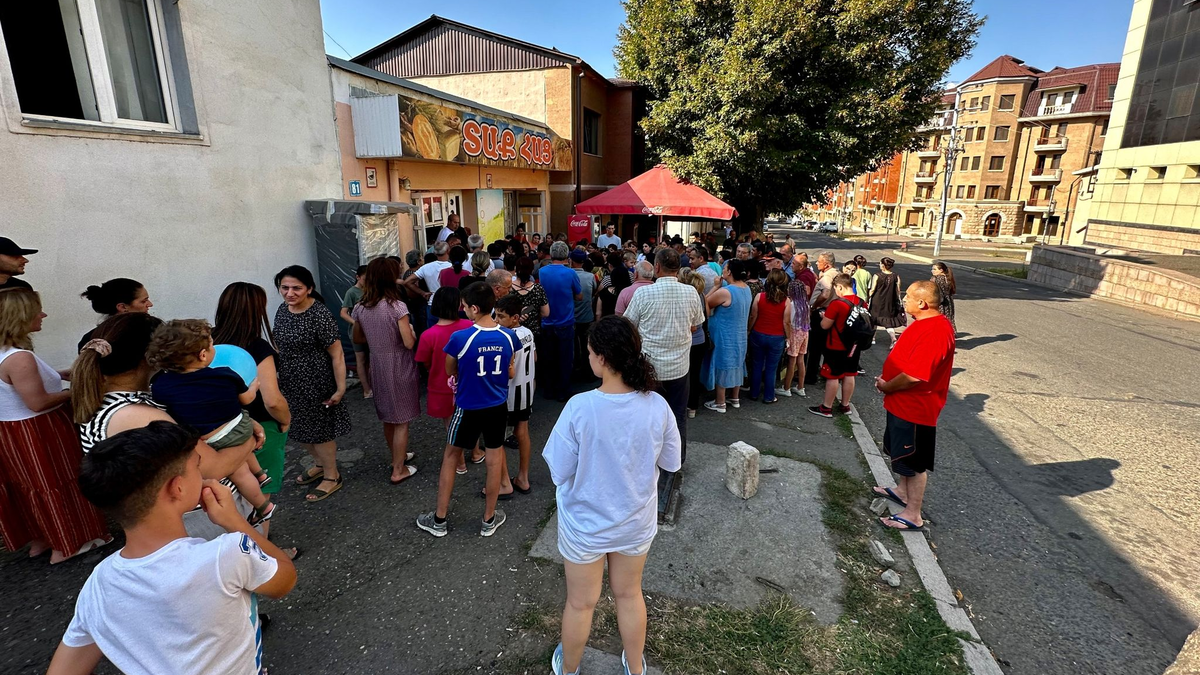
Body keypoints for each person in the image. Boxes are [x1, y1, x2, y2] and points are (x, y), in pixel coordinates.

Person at [47, 422, 296, 675]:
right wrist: (235, 521)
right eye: (197, 467)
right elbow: (284, 579)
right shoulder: (226, 554)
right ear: (177, 488)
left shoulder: (99, 584)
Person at [543, 315, 681, 675]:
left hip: (585, 524)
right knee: (629, 594)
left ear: (602, 358)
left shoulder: (579, 407)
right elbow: (671, 462)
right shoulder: (657, 405)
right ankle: (635, 668)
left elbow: (559, 471)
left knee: (580, 603)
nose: (587, 357)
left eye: (589, 352)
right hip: (635, 520)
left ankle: (569, 668)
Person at [71, 313, 270, 544]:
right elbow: (215, 467)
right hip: (198, 517)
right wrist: (245, 434)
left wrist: (233, 420)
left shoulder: (117, 398)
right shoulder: (137, 414)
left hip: (182, 512)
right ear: (149, 357)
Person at [0, 288, 110, 564]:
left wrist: (60, 374)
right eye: (38, 310)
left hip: (11, 432)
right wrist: (83, 388)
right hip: (39, 430)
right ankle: (69, 543)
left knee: (27, 486)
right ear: (21, 316)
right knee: (58, 482)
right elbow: (37, 402)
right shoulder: (19, 357)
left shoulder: (7, 353)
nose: (43, 315)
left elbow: (19, 387)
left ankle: (42, 540)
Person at [146, 320, 276, 526]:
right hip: (241, 427)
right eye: (211, 344)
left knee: (238, 468)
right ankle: (262, 496)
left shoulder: (160, 385)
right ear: (203, 355)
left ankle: (261, 495)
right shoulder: (225, 374)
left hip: (208, 437)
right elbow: (246, 400)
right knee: (239, 464)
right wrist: (254, 386)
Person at [416, 283, 517, 538]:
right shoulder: (509, 336)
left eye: (464, 306)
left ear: (473, 308)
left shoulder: (461, 338)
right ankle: (489, 518)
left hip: (468, 406)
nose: (462, 310)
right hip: (497, 405)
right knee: (495, 459)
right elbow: (510, 369)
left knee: (451, 456)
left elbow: (450, 369)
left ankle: (439, 519)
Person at [872, 281, 956, 531]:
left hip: (916, 408)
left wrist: (888, 386)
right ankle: (902, 492)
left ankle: (913, 514)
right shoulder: (924, 324)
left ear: (922, 302)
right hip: (901, 404)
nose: (902, 300)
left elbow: (914, 376)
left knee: (915, 461)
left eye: (907, 296)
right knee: (900, 454)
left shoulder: (937, 331)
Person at [212, 282, 292, 510]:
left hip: (215, 427)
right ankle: (261, 544)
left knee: (228, 494)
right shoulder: (257, 347)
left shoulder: (206, 341)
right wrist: (285, 420)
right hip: (257, 427)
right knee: (259, 496)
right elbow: (272, 400)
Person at [273, 266, 349, 503]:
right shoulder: (282, 310)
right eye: (285, 287)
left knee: (320, 431)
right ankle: (319, 464)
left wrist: (340, 387)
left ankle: (331, 475)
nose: (290, 293)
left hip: (317, 381)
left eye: (297, 288)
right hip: (289, 381)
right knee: (298, 428)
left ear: (309, 289)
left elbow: (337, 354)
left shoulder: (319, 313)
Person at [623, 248, 704, 462]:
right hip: (679, 367)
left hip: (650, 367)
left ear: (656, 267)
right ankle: (676, 459)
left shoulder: (643, 294)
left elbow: (628, 326)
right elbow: (695, 326)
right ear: (678, 268)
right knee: (677, 416)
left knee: (647, 417)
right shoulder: (691, 292)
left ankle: (647, 459)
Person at [352, 258, 420, 486]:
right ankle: (398, 469)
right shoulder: (397, 306)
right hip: (399, 362)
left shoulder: (360, 306)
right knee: (401, 420)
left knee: (388, 418)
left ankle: (396, 459)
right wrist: (411, 330)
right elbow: (408, 343)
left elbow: (357, 338)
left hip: (377, 363)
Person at [415, 287, 474, 474]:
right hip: (469, 383)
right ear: (458, 304)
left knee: (451, 425)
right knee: (471, 418)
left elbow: (424, 361)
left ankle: (459, 463)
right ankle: (476, 452)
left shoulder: (428, 335)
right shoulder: (469, 326)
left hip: (441, 385)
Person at [808, 274, 865, 418]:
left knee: (833, 376)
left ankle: (826, 407)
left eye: (836, 289)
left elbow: (825, 325)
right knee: (849, 374)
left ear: (840, 287)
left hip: (836, 345)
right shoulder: (862, 303)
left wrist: (823, 316)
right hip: (854, 345)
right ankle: (845, 405)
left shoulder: (837, 304)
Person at [496, 293, 535, 495]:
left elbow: (507, 371)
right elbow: (534, 358)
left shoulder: (506, 337)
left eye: (501, 316)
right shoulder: (528, 332)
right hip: (526, 391)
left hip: (509, 394)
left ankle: (503, 483)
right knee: (522, 433)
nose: (496, 321)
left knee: (497, 440)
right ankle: (523, 477)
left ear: (515, 318)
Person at [702, 259, 751, 413]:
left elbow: (706, 303)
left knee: (722, 364)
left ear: (729, 272)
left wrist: (716, 286)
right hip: (740, 333)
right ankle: (734, 397)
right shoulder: (746, 288)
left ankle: (720, 401)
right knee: (737, 362)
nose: (722, 270)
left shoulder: (726, 291)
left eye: (724, 268)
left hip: (724, 333)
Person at [538, 242, 583, 402]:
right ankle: (563, 391)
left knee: (549, 358)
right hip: (566, 321)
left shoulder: (542, 271)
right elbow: (579, 296)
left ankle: (549, 389)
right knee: (565, 359)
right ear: (567, 255)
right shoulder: (571, 274)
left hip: (547, 322)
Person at [747, 269, 793, 404]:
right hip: (777, 337)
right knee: (771, 368)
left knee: (756, 364)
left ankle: (754, 393)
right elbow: (786, 322)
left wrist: (749, 330)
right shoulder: (786, 301)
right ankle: (769, 395)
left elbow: (753, 315)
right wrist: (788, 338)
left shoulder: (760, 296)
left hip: (758, 334)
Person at [78, 278, 154, 352]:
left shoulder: (88, 339)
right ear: (122, 307)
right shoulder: (147, 335)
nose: (150, 304)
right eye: (144, 301)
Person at [778, 255, 813, 398]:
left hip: (794, 333)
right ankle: (800, 386)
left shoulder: (792, 305)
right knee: (801, 359)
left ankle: (786, 387)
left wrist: (787, 337)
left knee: (792, 361)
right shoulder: (805, 304)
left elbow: (787, 322)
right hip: (805, 332)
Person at [677, 268, 709, 419]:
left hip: (687, 340)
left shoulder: (687, 297)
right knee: (694, 375)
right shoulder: (701, 295)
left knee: (683, 375)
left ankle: (683, 405)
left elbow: (692, 325)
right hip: (700, 340)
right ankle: (693, 406)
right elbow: (706, 315)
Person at [805, 252, 838, 387]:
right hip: (830, 312)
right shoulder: (836, 274)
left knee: (815, 348)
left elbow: (825, 294)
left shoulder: (827, 277)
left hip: (821, 313)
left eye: (819, 261)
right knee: (825, 346)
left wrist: (814, 306)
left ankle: (811, 376)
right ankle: (826, 373)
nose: (817, 263)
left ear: (827, 265)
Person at [339, 265, 372, 399]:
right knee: (361, 359)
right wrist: (356, 323)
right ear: (358, 277)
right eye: (365, 279)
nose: (367, 281)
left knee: (372, 359)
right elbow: (343, 312)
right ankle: (366, 389)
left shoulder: (371, 289)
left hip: (372, 330)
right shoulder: (352, 292)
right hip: (358, 332)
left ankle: (375, 385)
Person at [403, 241, 452, 329]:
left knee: (433, 335)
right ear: (448, 250)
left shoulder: (426, 267)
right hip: (450, 304)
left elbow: (407, 282)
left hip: (432, 304)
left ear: (434, 253)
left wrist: (422, 293)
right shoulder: (452, 267)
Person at [569, 249, 596, 376]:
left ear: (571, 261)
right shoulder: (591, 276)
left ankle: (574, 368)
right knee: (587, 345)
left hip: (571, 316)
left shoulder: (568, 275)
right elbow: (595, 291)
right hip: (587, 316)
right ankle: (588, 369)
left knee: (573, 345)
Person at [868, 257, 906, 347]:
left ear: (883, 265)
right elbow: (898, 290)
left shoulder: (877, 275)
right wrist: (898, 300)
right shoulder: (896, 276)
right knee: (888, 321)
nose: (880, 265)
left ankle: (872, 338)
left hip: (877, 301)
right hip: (890, 301)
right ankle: (893, 339)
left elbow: (873, 289)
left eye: (881, 263)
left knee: (874, 319)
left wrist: (869, 295)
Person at [931, 261, 957, 333]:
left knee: (938, 318)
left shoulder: (935, 279)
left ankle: (939, 333)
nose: (932, 271)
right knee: (948, 317)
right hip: (948, 300)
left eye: (934, 269)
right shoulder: (948, 278)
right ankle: (950, 332)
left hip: (939, 301)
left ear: (941, 270)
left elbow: (931, 290)